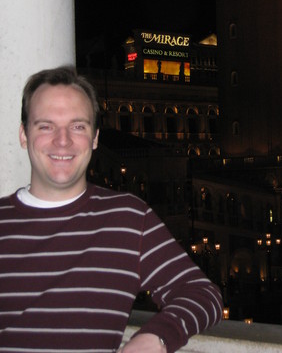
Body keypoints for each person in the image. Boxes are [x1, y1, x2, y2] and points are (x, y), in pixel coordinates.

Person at [0, 66, 223, 352]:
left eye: (78, 126)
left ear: (94, 138)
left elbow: (204, 294)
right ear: (23, 135)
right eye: (46, 126)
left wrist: (158, 337)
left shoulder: (128, 219)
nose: (62, 140)